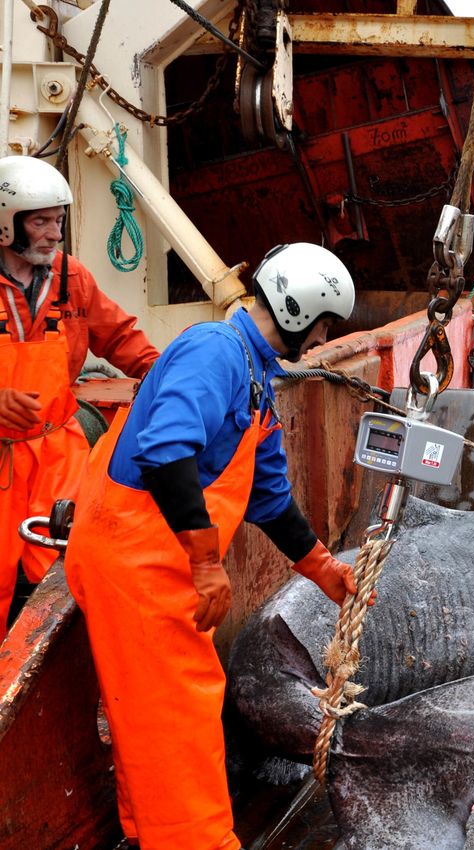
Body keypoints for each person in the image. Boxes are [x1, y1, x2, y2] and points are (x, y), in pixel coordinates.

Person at [63, 242, 365, 849]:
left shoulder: (257, 379)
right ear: (303, 313)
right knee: (180, 718)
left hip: (157, 562)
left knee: (150, 716)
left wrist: (324, 569)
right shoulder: (215, 353)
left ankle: (150, 832)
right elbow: (165, 449)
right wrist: (206, 563)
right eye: (326, 324)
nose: (323, 335)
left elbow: (271, 499)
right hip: (136, 563)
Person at [0, 155, 158, 640]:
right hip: (3, 459)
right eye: (40, 221)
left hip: (60, 452)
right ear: (7, 224)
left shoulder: (73, 279)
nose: (54, 233)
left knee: (70, 573)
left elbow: (124, 339)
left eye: (59, 221)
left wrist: (173, 381)